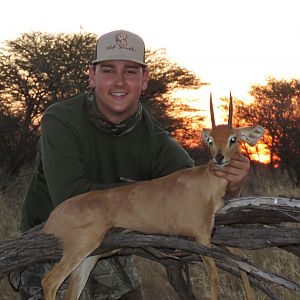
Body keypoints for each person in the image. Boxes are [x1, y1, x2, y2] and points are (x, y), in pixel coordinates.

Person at [18, 29, 249, 300]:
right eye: (108, 70)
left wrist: (231, 183)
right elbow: (71, 196)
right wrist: (151, 199)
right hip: (53, 240)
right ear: (92, 77)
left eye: (130, 71)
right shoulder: (61, 119)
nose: (119, 82)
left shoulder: (156, 139)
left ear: (144, 80)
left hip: (115, 243)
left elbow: (192, 192)